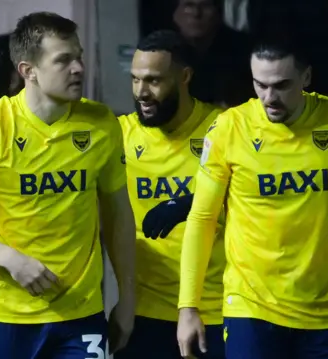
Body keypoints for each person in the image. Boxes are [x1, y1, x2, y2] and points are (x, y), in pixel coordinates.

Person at [176, 33, 328, 359]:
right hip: (251, 307)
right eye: (260, 84)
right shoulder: (229, 129)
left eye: (281, 85)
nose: (269, 97)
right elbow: (202, 219)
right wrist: (188, 306)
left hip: (324, 310)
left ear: (306, 77)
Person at [0, 12, 136, 358]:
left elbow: (119, 217)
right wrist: (10, 259)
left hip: (81, 314)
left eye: (79, 56)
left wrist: (127, 299)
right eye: (64, 60)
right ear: (29, 71)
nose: (79, 68)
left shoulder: (101, 124)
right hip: (8, 314)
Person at [114, 30, 225, 359]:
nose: (141, 92)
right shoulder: (119, 134)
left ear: (185, 76)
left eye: (153, 81)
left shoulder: (223, 128)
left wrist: (190, 203)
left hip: (215, 309)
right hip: (145, 311)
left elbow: (255, 198)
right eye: (135, 80)